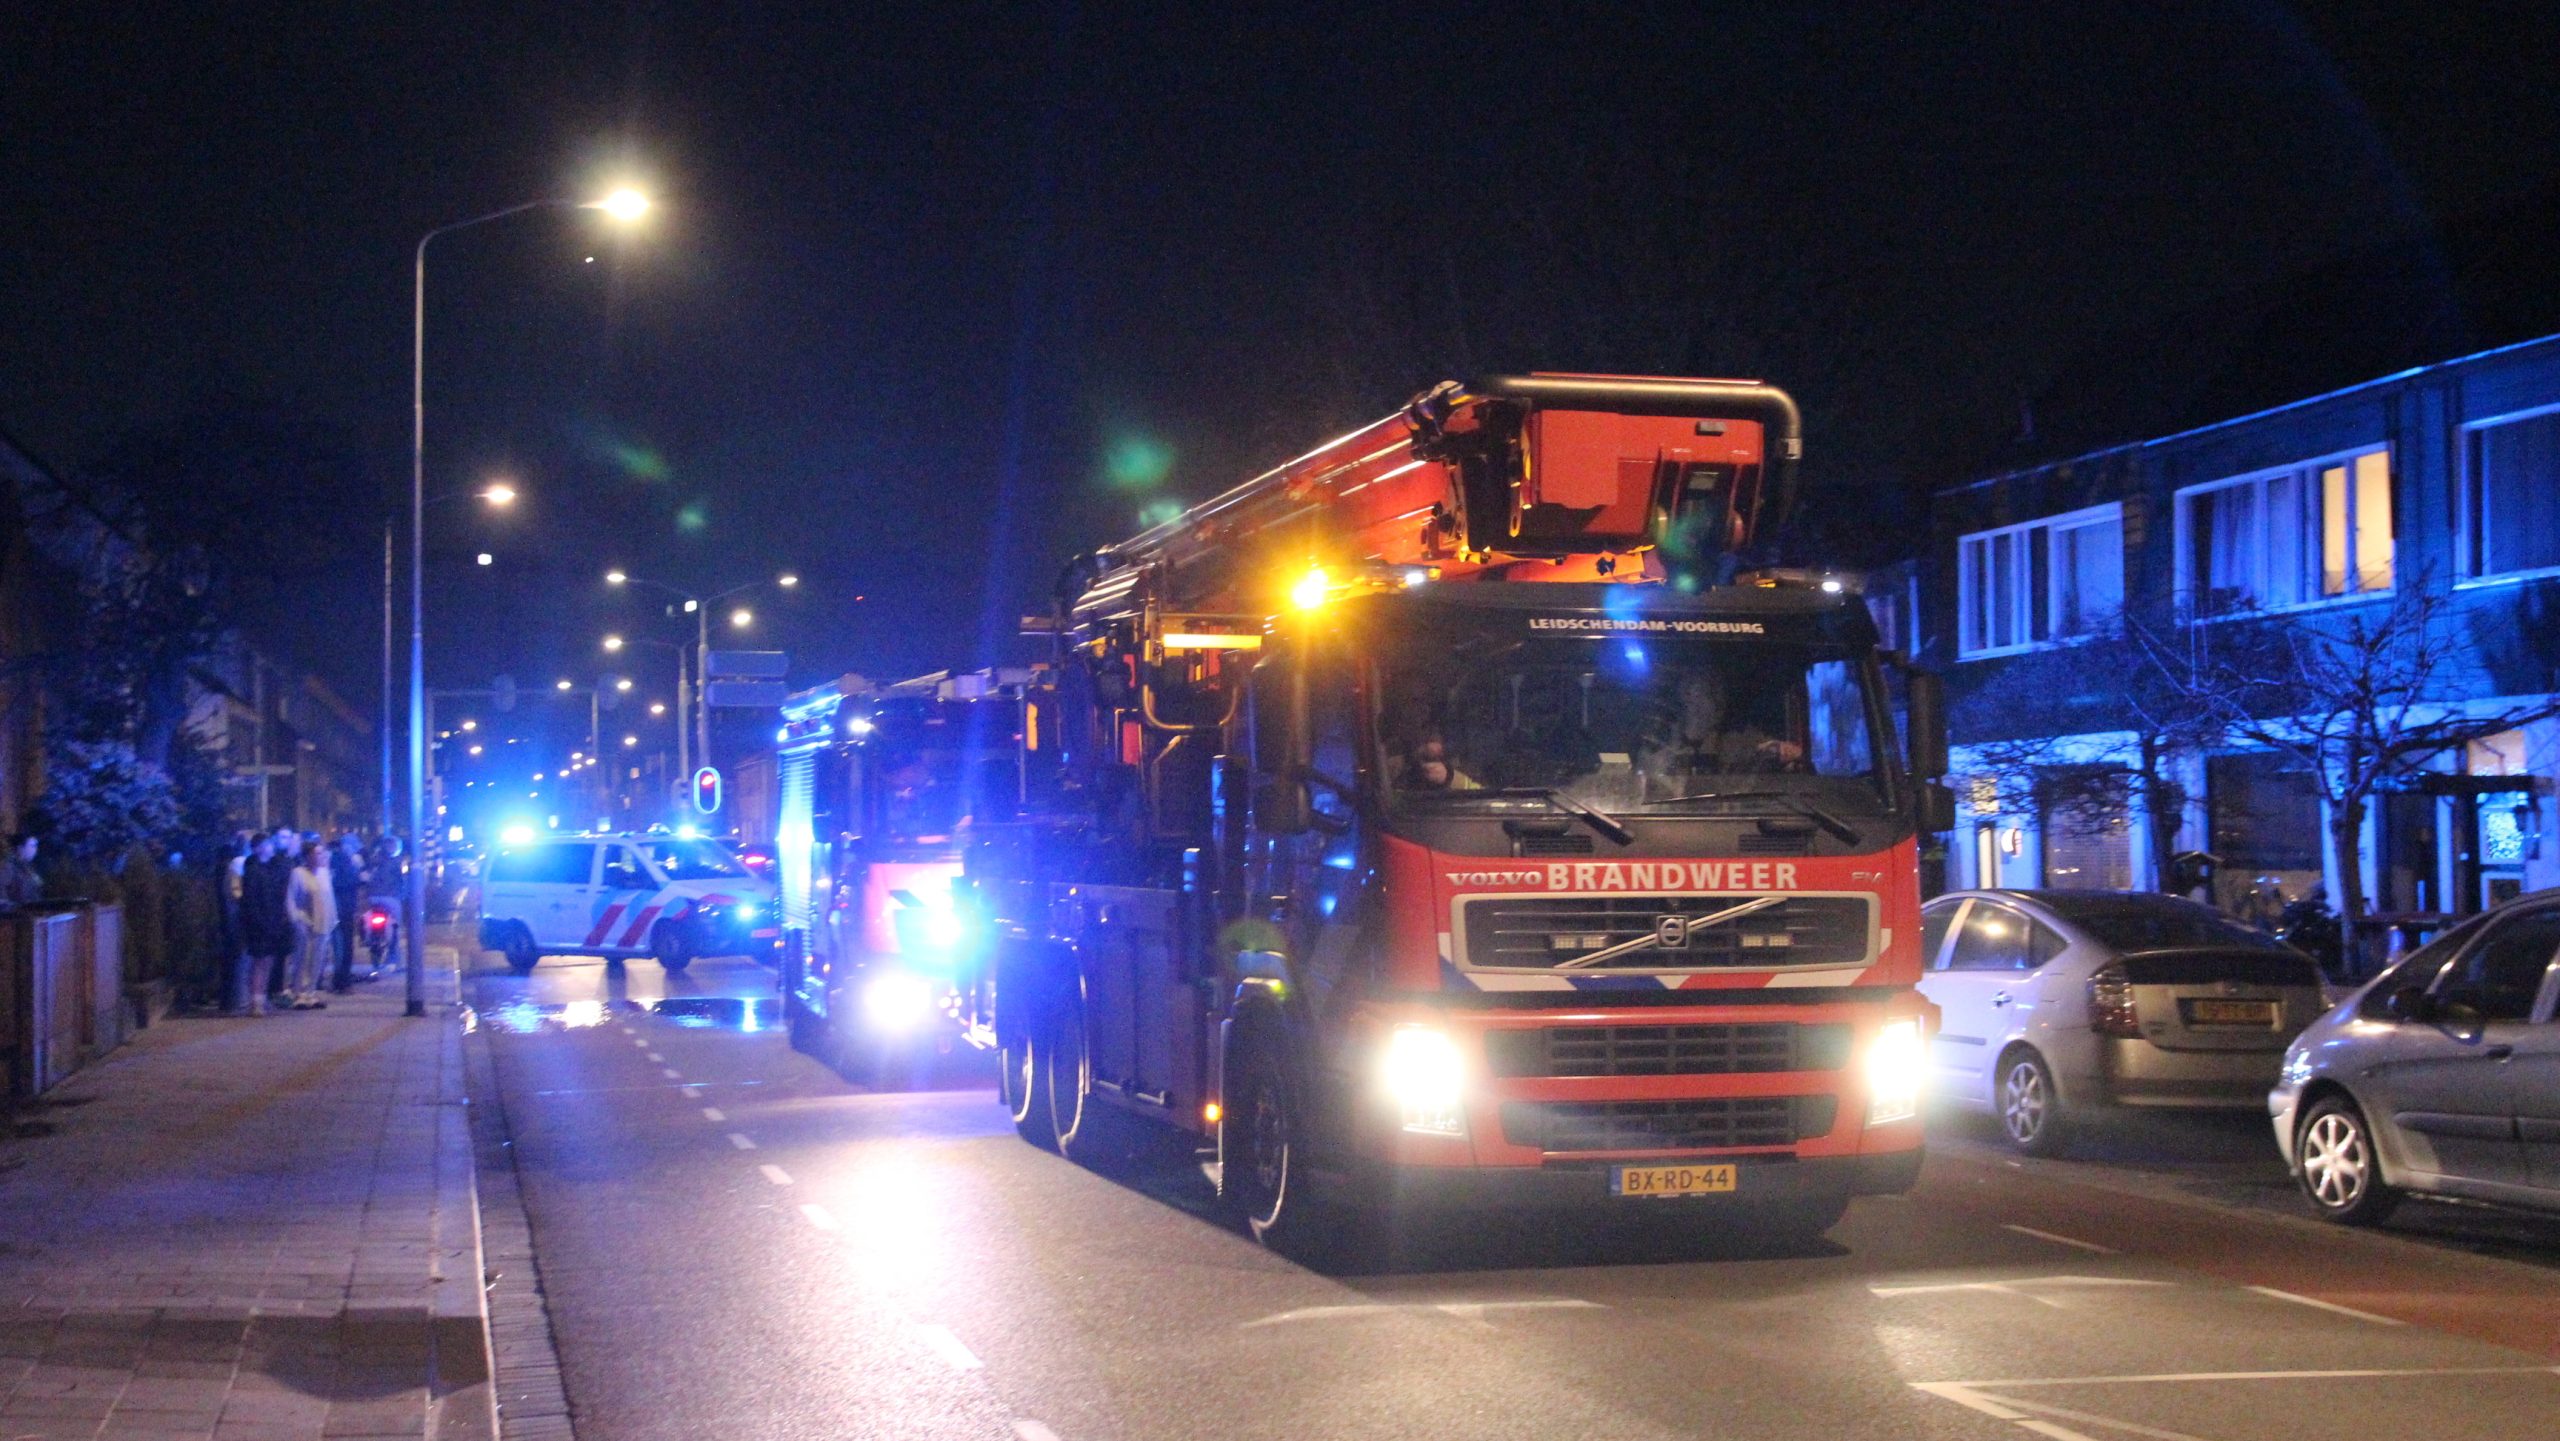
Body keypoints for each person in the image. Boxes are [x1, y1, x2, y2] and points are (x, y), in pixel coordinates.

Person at [240, 832, 295, 1015]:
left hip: (271, 922)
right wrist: (260, 922)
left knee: (268, 961)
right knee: (259, 962)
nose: (272, 848)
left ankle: (261, 998)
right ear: (258, 849)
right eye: (268, 845)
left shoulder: (268, 869)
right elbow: (251, 900)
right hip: (259, 924)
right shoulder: (254, 870)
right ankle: (255, 1002)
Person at [285, 843, 336, 1011]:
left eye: (322, 853)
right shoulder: (298, 874)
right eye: (317, 853)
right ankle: (298, 993)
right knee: (303, 958)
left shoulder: (324, 873)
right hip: (306, 923)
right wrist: (296, 920)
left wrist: (333, 919)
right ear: (308, 856)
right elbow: (291, 899)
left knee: (317, 959)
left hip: (324, 923)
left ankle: (311, 992)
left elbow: (330, 898)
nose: (321, 856)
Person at [330, 832, 367, 990]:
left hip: (344, 907)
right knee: (343, 945)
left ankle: (343, 977)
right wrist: (359, 876)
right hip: (342, 908)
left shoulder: (339, 858)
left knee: (343, 944)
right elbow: (342, 881)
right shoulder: (341, 859)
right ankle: (341, 979)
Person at [0, 832, 43, 909]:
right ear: (20, 847)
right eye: (32, 846)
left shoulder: (27, 867)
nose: (35, 850)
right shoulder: (8, 867)